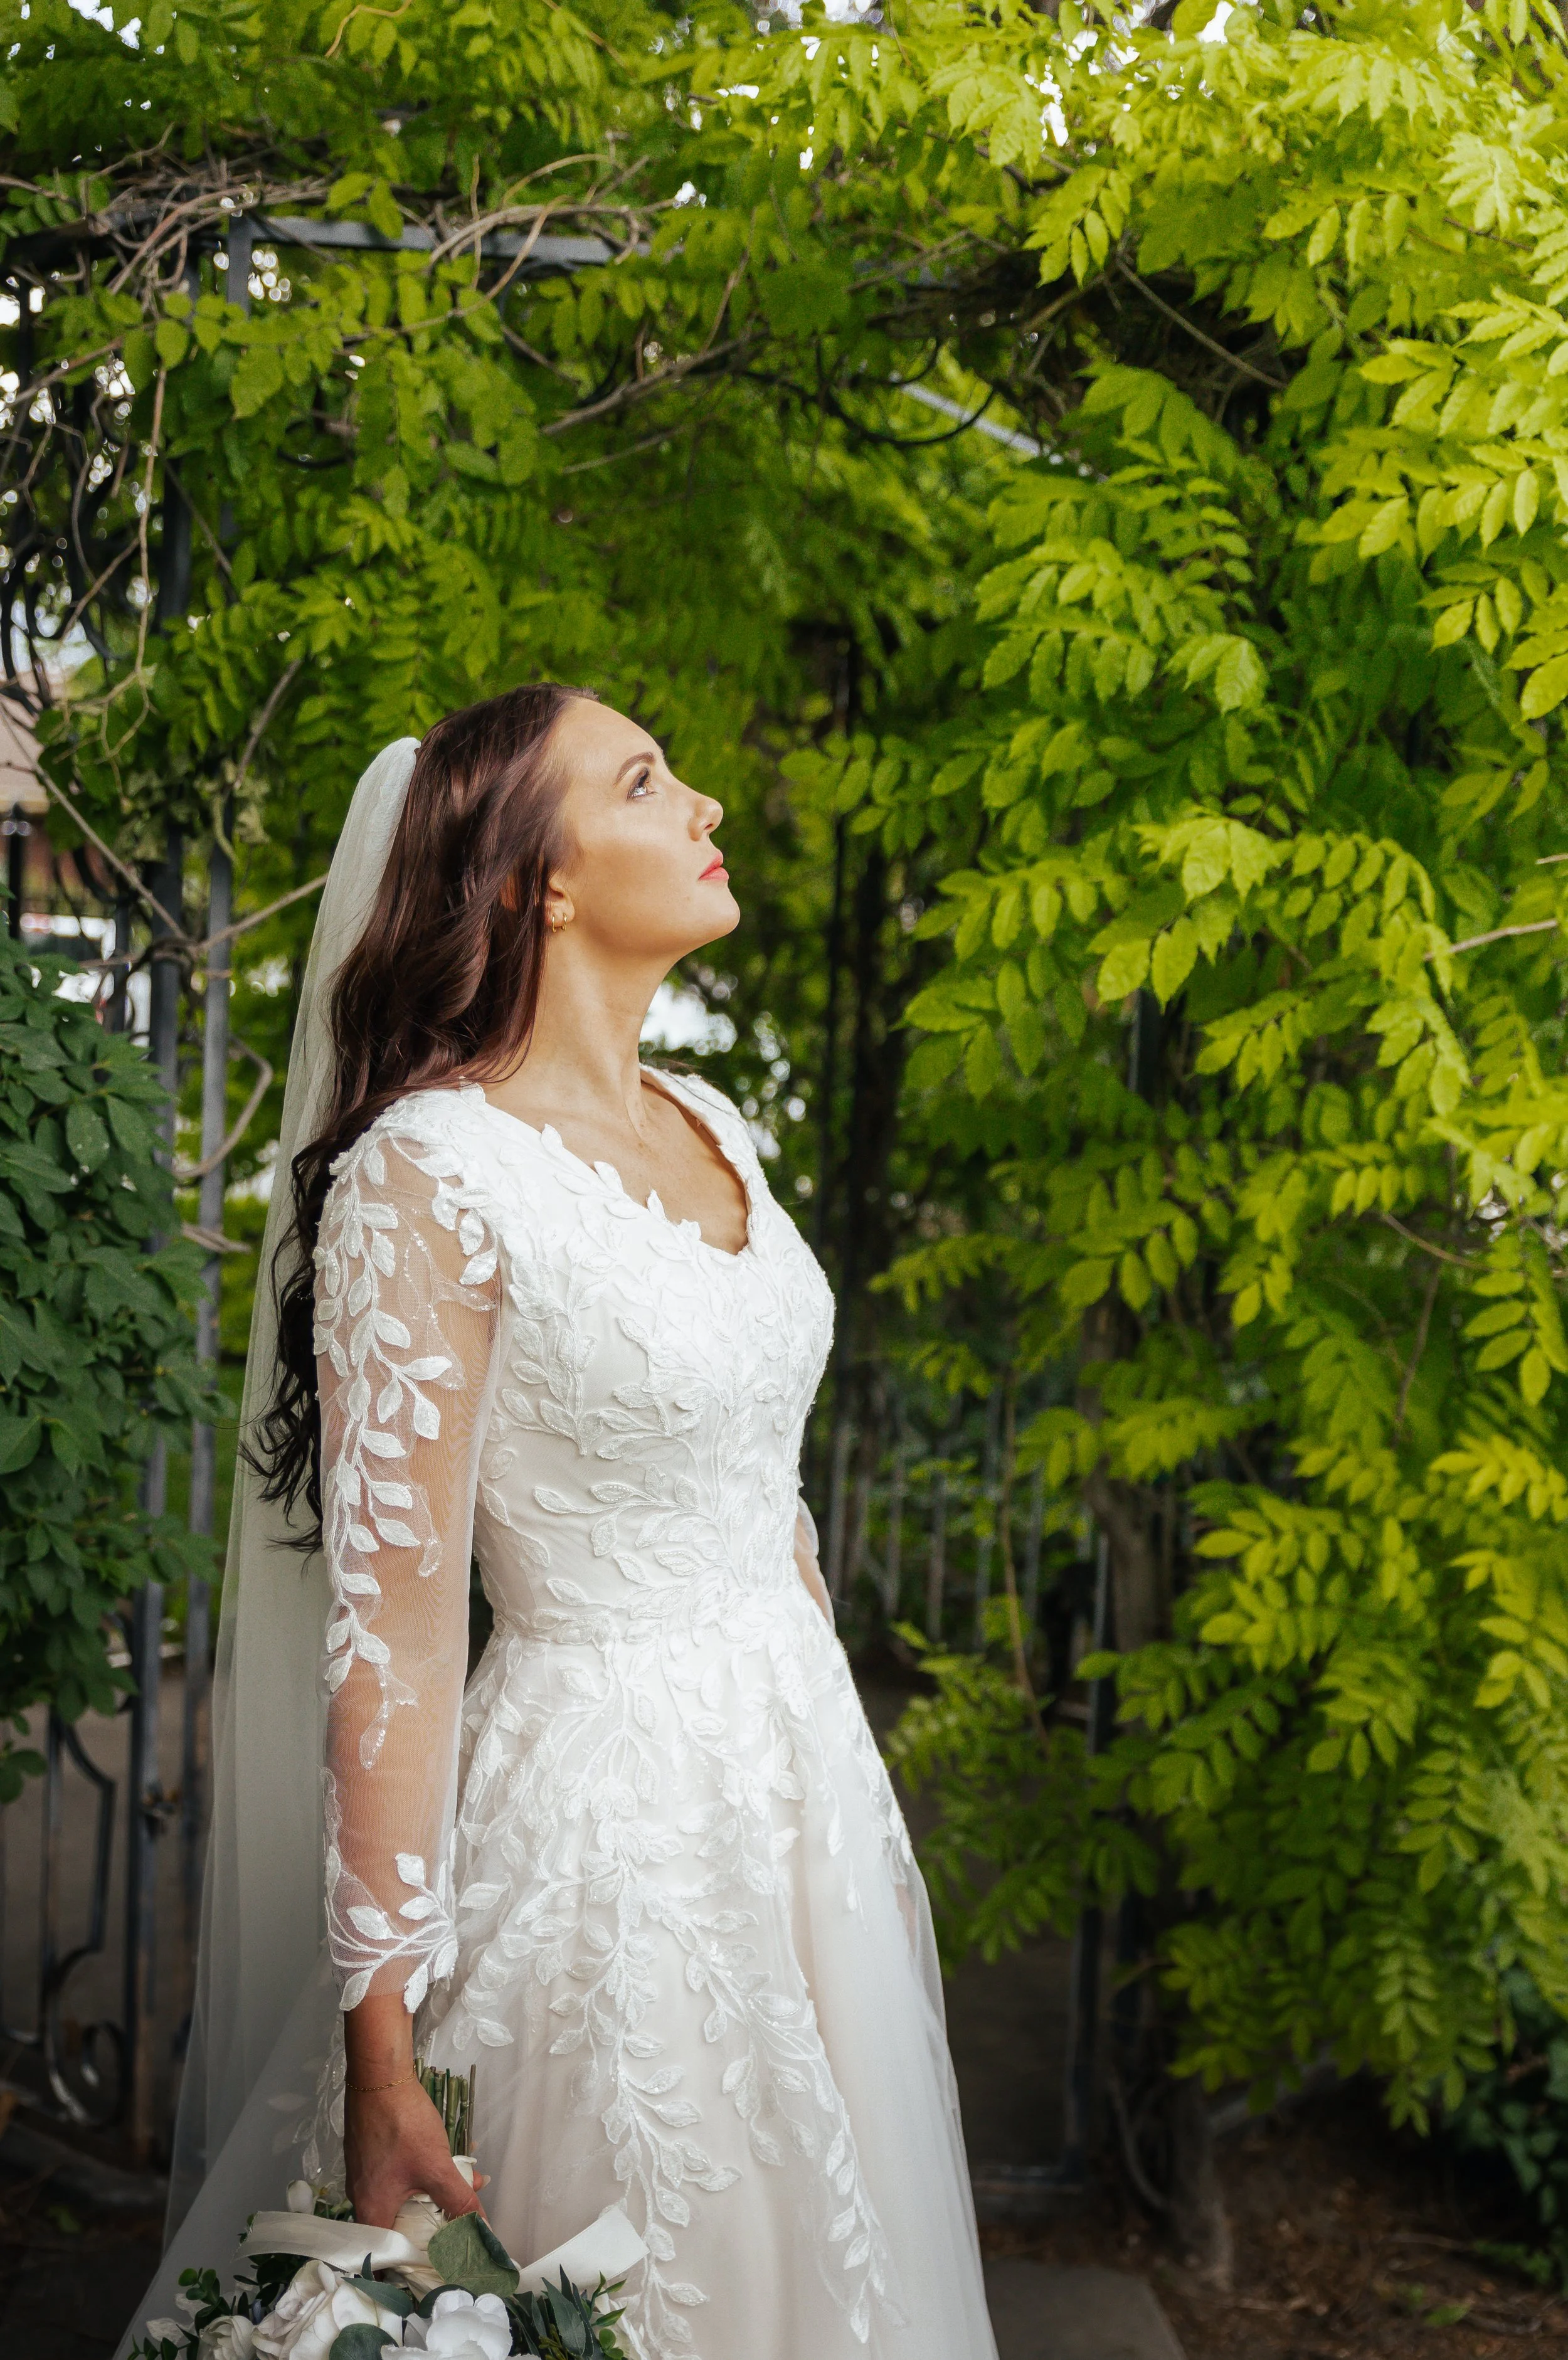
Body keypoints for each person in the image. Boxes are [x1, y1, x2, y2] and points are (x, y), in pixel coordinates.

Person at [130, 685, 998, 2360]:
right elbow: (389, 1639)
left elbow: (764, 1483)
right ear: (536, 876)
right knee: (559, 2277)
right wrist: (381, 2051)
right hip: (600, 1841)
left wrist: (828, 1782)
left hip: (797, 1811)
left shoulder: (712, 1124)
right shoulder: (427, 1178)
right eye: (647, 780)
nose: (706, 803)